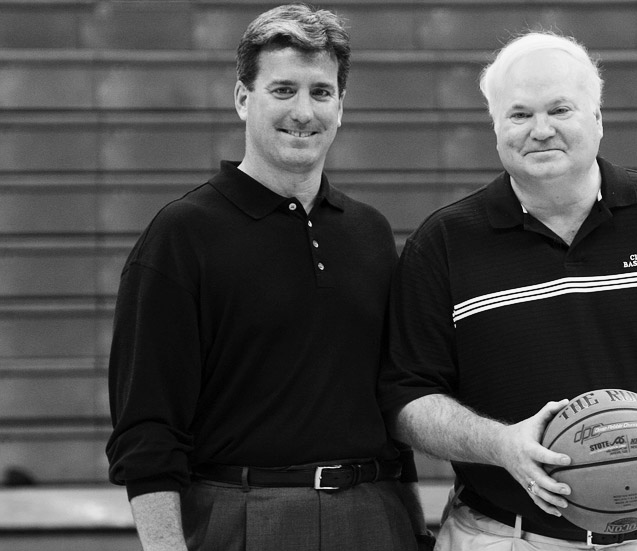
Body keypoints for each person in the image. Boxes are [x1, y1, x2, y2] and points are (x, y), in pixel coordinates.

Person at [379, 31, 637, 550]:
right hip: (505, 536)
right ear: (496, 127)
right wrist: (501, 443)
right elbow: (406, 398)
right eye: (519, 114)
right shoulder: (443, 244)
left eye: (559, 109)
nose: (540, 130)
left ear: (597, 118)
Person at [106, 5, 431, 551]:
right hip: (243, 519)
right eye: (283, 90)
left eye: (321, 92)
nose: (303, 111)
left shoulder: (370, 232)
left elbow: (387, 402)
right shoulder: (182, 234)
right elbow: (146, 428)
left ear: (341, 106)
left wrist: (416, 530)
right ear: (242, 98)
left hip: (376, 517)